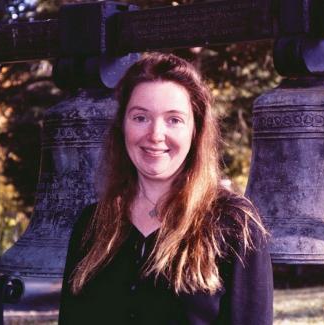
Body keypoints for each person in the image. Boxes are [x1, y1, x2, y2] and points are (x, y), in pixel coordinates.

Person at [58, 53, 273, 325]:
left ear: (196, 130)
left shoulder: (234, 225)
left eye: (174, 120)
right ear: (122, 126)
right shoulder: (92, 225)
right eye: (140, 118)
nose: (155, 134)